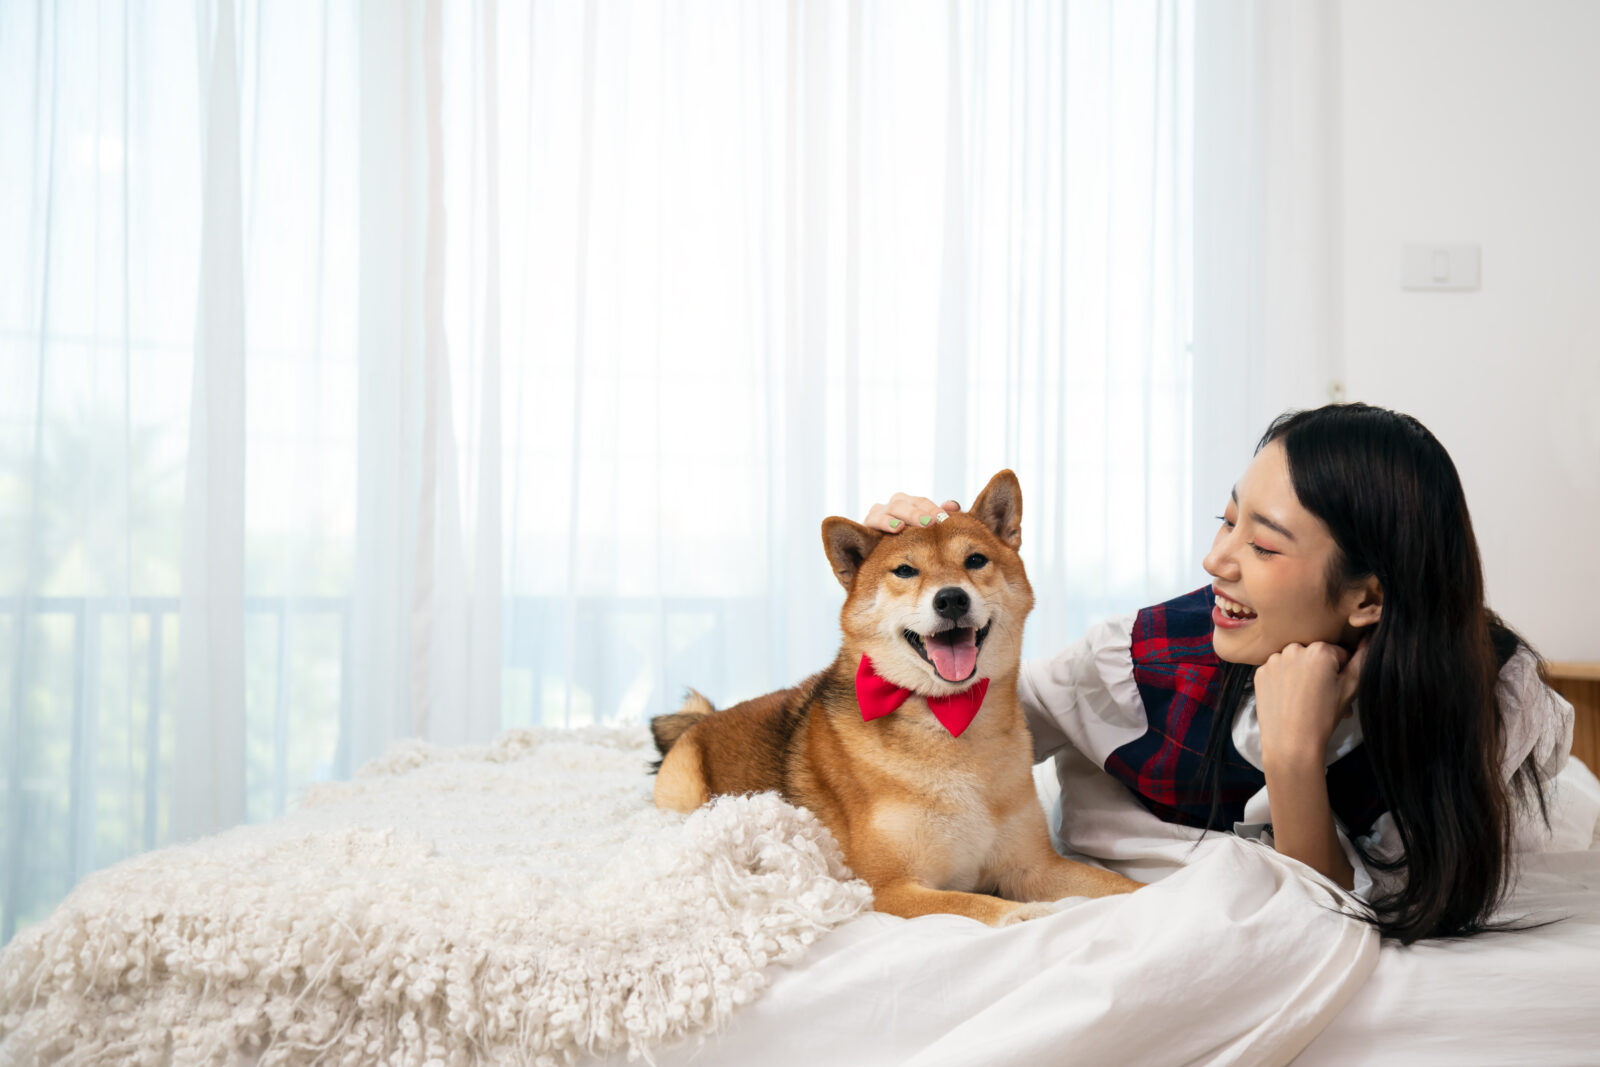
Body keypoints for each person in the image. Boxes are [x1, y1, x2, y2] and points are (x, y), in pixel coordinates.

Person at [864, 402, 1573, 943]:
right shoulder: (1136, 666)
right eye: (1225, 519)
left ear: (1370, 598)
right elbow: (949, 717)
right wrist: (899, 571)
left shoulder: (1488, 701)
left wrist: (1294, 755)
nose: (1216, 560)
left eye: (1261, 544)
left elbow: (1347, 919)